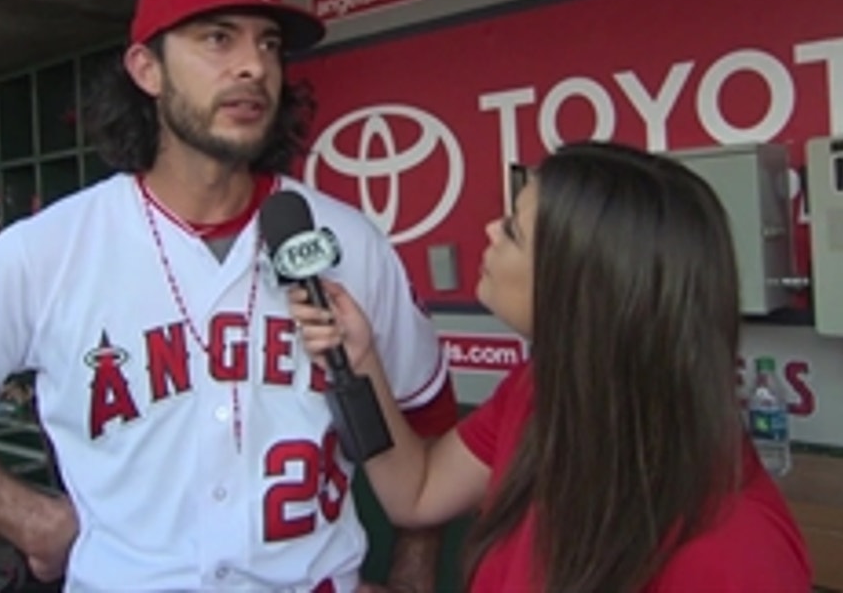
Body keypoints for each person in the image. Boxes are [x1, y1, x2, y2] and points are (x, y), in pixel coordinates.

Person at [0, 0, 458, 592]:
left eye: (268, 45)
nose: (253, 67)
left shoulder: (347, 239)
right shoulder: (45, 250)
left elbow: (431, 419)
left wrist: (413, 574)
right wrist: (34, 521)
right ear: (146, 69)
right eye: (217, 39)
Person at [288, 141, 814, 592]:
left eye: (515, 230)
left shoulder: (732, 552)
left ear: (581, 285)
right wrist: (360, 359)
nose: (492, 229)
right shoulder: (537, 393)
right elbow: (417, 494)